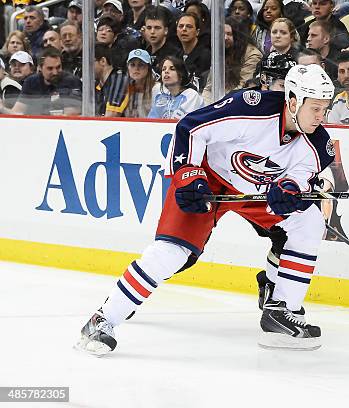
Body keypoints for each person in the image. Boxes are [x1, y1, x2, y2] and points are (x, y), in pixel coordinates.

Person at [77, 64, 335, 355]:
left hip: (251, 191)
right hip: (206, 180)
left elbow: (296, 179)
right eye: (315, 108)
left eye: (325, 109)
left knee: (308, 221)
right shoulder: (250, 108)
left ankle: (281, 310)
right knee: (173, 255)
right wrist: (188, 172)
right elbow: (191, 127)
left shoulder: (319, 144)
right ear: (292, 100)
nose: (320, 117)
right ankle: (104, 319)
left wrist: (290, 190)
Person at [0, 47, 81, 115]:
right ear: (40, 68)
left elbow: (71, 115)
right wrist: (1, 108)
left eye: (58, 67)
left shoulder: (71, 81)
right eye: (50, 68)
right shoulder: (31, 82)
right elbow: (17, 113)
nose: (55, 72)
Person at [201, 17, 262, 105]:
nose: (225, 38)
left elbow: (244, 86)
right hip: (218, 102)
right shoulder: (220, 52)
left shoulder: (253, 54)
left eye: (229, 34)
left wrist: (220, 104)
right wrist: (205, 106)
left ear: (238, 36)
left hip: (239, 102)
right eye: (222, 34)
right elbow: (209, 87)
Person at [106, 49, 156, 117]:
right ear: (128, 67)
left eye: (141, 65)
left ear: (148, 68)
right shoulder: (123, 88)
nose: (136, 68)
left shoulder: (156, 89)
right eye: (132, 65)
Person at [177, 12, 212, 92]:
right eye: (181, 26)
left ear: (197, 32)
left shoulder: (206, 56)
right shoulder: (176, 55)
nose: (184, 29)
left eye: (189, 27)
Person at [142, 7, 182, 75]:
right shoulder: (144, 53)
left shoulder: (175, 55)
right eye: (149, 28)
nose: (152, 32)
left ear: (166, 30)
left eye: (157, 28)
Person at [94, 43, 129, 116]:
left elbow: (111, 116)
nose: (85, 67)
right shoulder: (99, 84)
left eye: (89, 62)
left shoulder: (119, 78)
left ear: (103, 61)